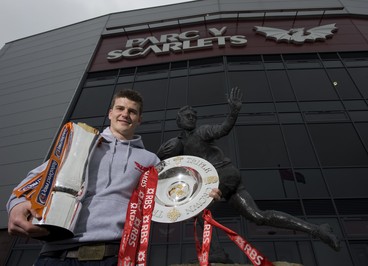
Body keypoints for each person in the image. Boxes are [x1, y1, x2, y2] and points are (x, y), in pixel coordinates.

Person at [7, 89, 222, 265]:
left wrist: (202, 195)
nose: (125, 114)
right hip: (56, 254)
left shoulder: (150, 160)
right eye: (120, 108)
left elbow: (170, 201)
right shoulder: (80, 143)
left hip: (113, 255)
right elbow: (35, 180)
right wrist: (16, 205)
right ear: (110, 113)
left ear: (139, 119)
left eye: (132, 111)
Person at [157, 87, 340, 262]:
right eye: (187, 116)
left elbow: (223, 129)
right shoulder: (175, 144)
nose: (192, 118)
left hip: (223, 174)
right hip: (221, 180)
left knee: (198, 210)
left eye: (194, 116)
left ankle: (218, 252)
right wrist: (158, 154)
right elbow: (162, 168)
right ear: (178, 120)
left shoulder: (202, 131)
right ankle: (319, 230)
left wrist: (233, 113)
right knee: (257, 216)